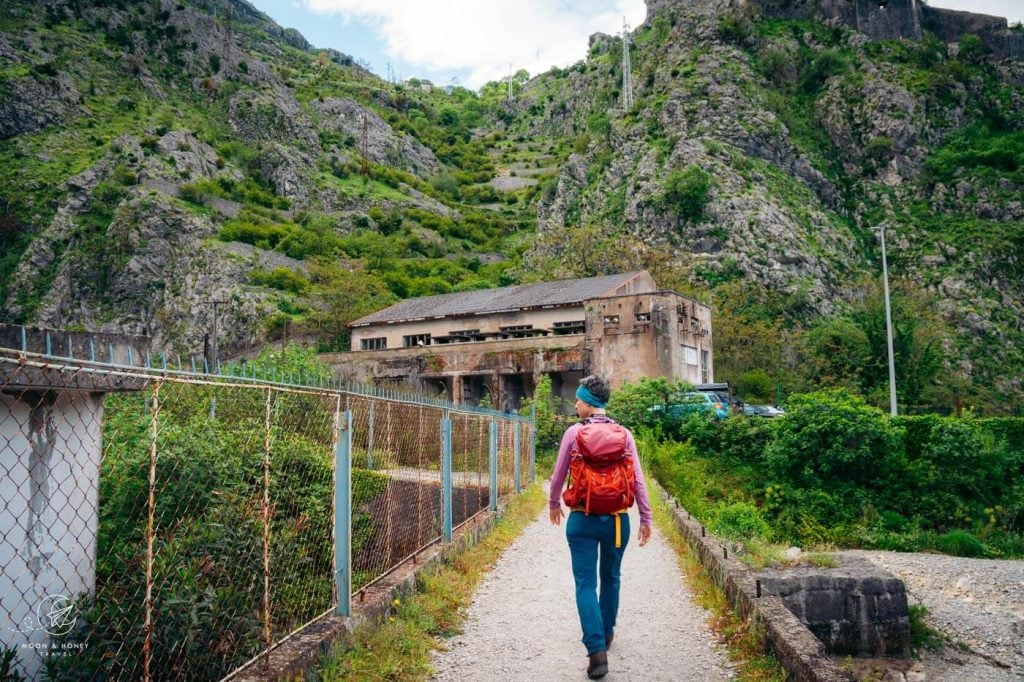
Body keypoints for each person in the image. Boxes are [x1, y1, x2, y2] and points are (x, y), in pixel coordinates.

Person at [549, 375, 653, 679]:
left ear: (588, 402)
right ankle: (606, 634)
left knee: (585, 584)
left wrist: (554, 504)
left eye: (578, 400)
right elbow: (638, 480)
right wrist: (645, 518)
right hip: (618, 520)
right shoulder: (625, 434)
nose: (576, 405)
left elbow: (558, 476)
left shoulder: (573, 433)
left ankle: (596, 652)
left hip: (582, 518)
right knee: (611, 577)